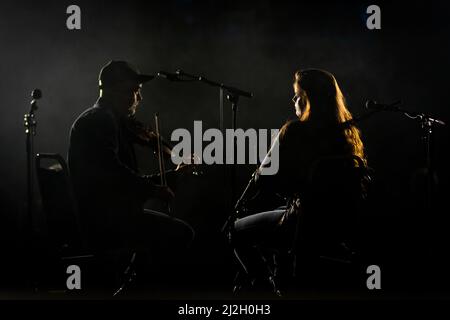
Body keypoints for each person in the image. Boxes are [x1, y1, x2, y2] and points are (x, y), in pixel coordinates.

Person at [231, 68, 368, 295]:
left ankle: (265, 287)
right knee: (282, 210)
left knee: (234, 230)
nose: (293, 99)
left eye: (297, 94)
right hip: (337, 223)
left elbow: (265, 180)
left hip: (302, 224)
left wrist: (261, 173)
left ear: (308, 98)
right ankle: (284, 278)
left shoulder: (293, 131)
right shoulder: (345, 135)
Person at [68, 60, 194, 266]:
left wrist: (173, 176)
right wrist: (154, 190)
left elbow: (122, 178)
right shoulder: (100, 120)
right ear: (119, 89)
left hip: (110, 217)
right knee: (181, 233)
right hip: (106, 223)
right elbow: (114, 174)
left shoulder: (107, 120)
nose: (139, 97)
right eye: (135, 90)